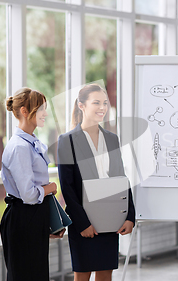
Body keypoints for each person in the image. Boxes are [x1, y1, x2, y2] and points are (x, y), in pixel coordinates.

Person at [57, 84, 135, 281]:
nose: (102, 107)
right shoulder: (67, 140)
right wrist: (83, 223)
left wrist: (129, 215)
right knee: (82, 274)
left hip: (110, 217)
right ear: (81, 106)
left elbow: (121, 178)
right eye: (96, 103)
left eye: (105, 103)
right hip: (83, 221)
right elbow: (67, 186)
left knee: (105, 274)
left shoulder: (112, 139)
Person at [0, 88, 64, 281]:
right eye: (41, 108)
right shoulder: (19, 147)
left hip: (32, 218)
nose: (45, 113)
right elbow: (28, 194)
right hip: (23, 218)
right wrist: (50, 188)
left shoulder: (31, 142)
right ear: (25, 112)